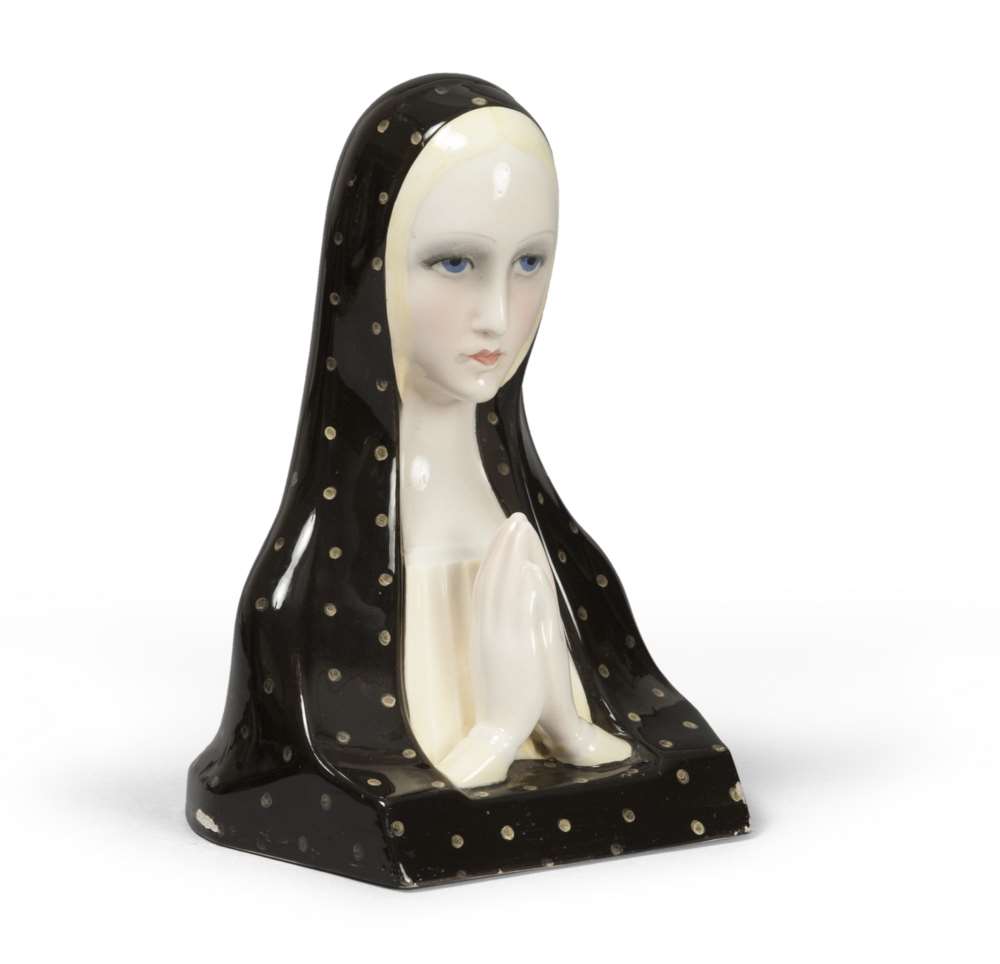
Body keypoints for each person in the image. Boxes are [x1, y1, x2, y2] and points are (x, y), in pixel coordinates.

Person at [187, 73, 749, 888]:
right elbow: (297, 767)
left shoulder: (556, 553)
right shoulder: (306, 597)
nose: (498, 314)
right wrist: (491, 738)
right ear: (370, 270)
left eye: (529, 262)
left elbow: (650, 744)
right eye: (454, 263)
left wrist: (557, 723)